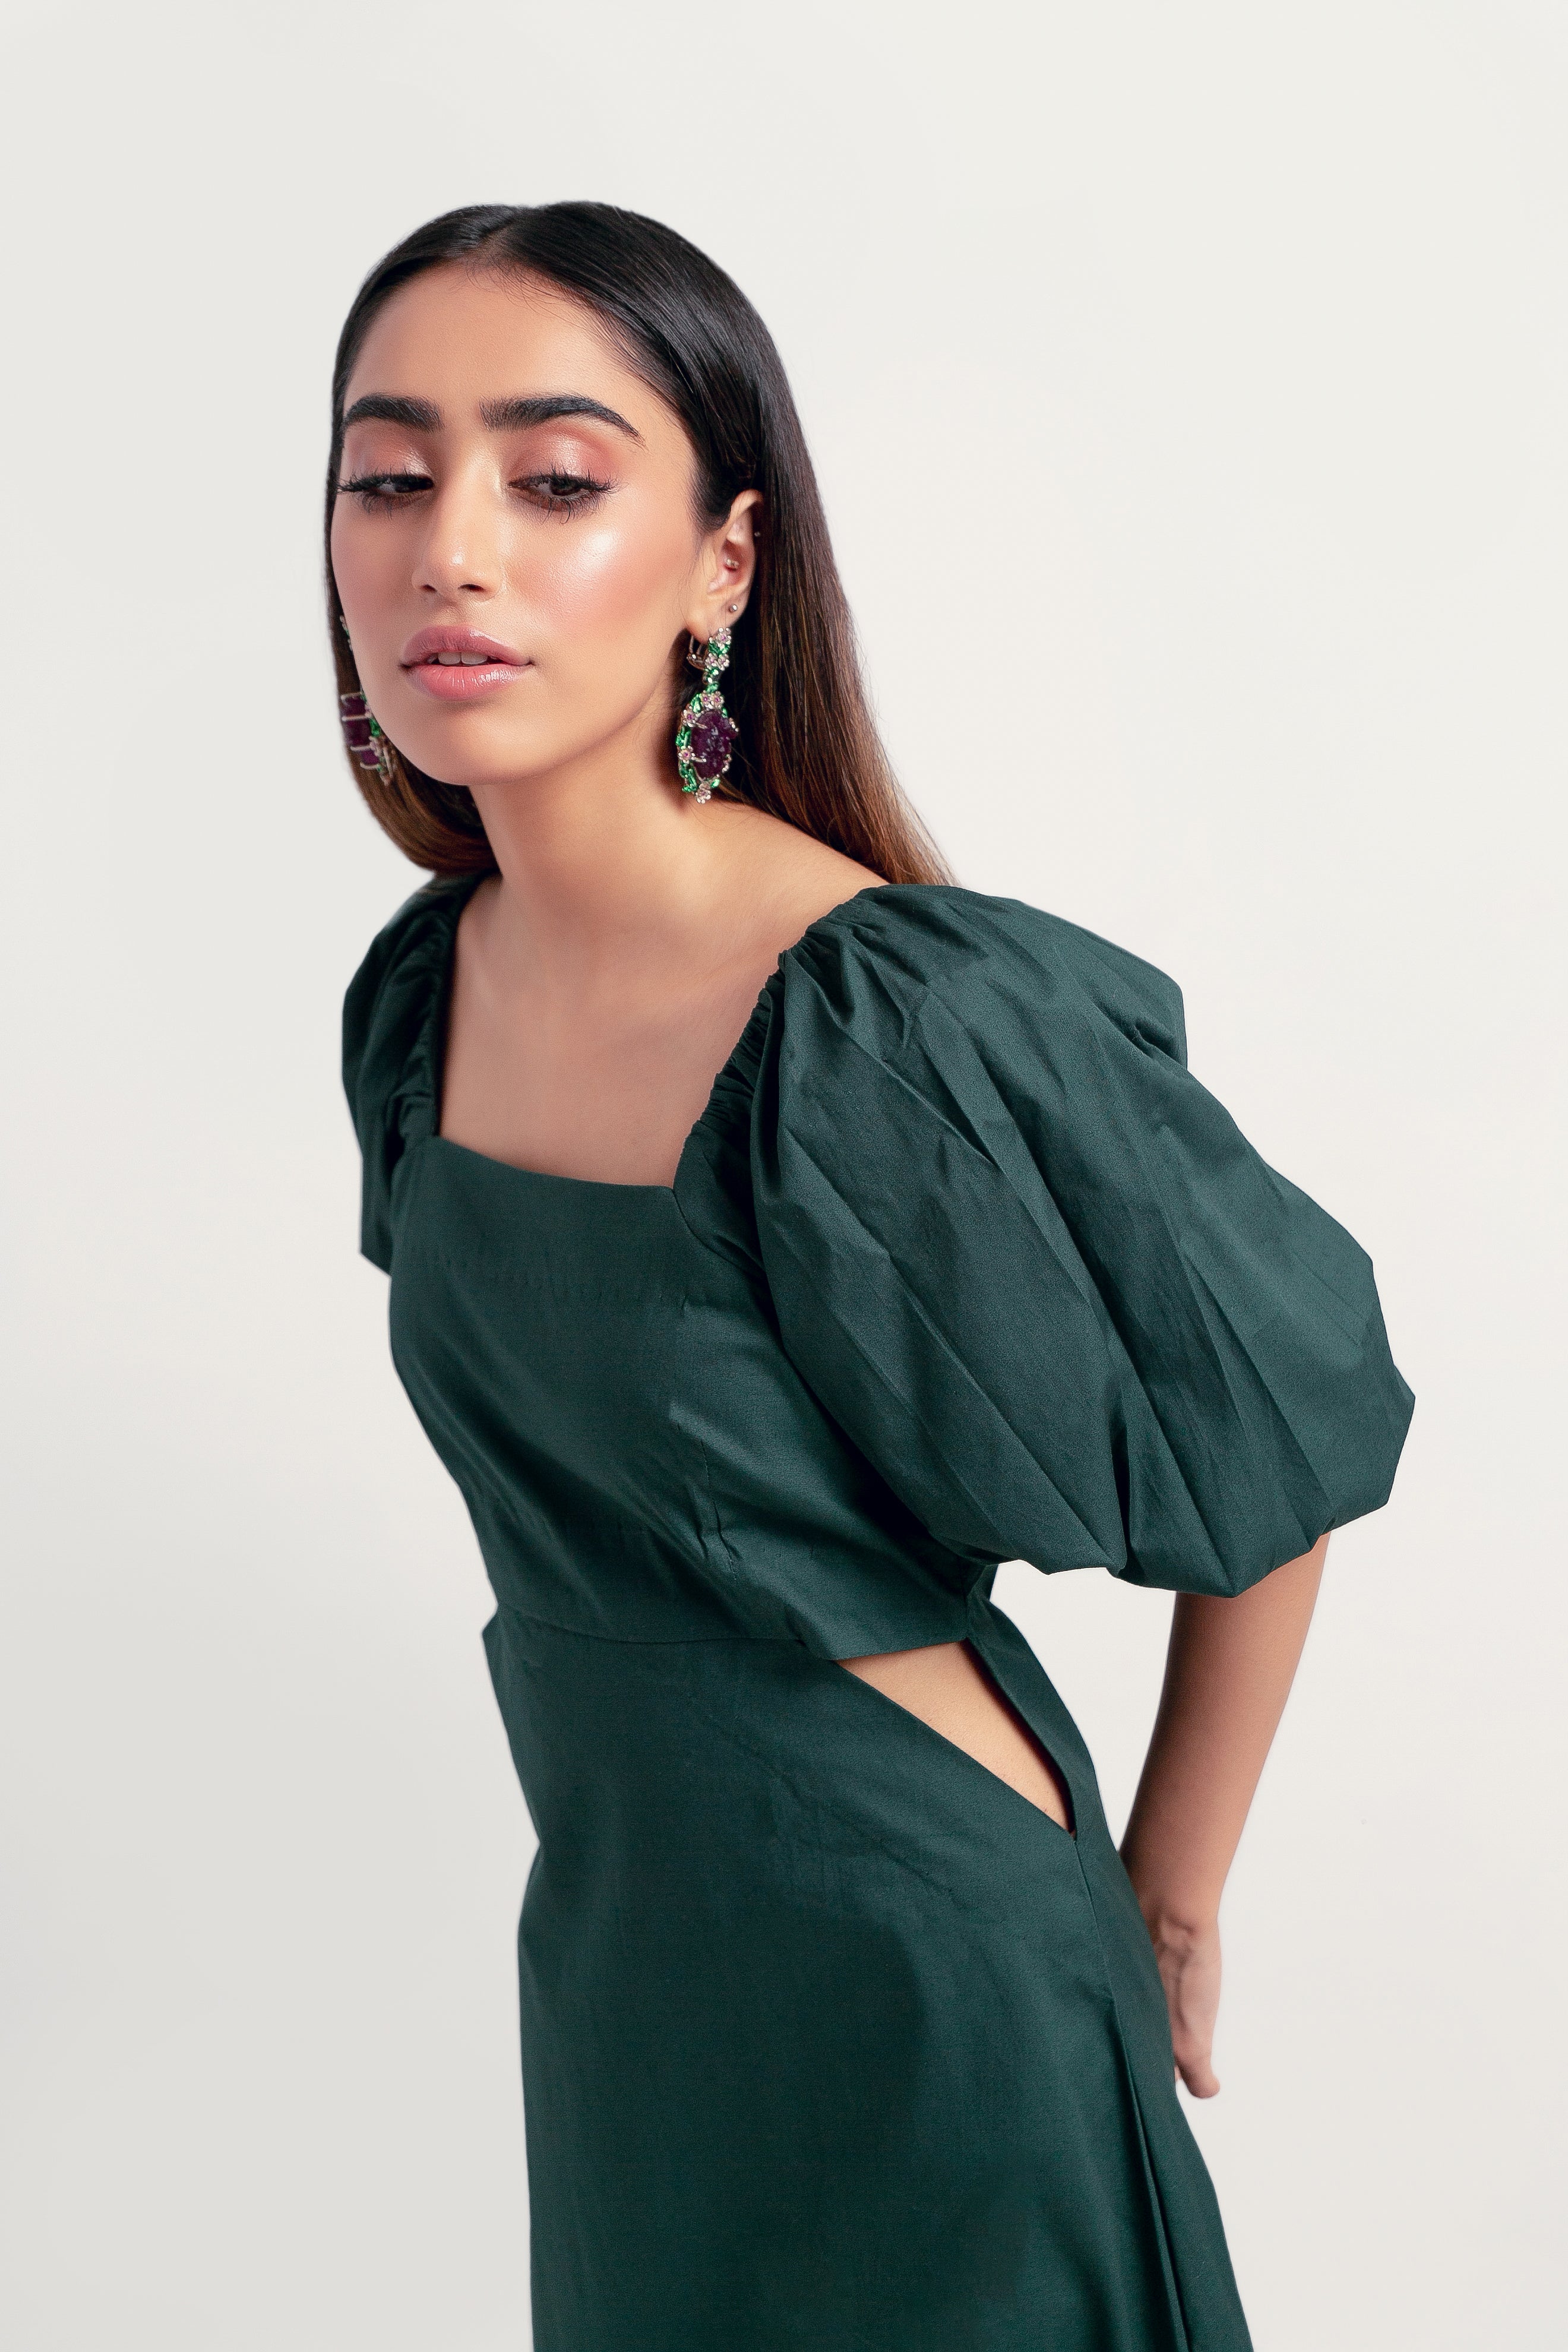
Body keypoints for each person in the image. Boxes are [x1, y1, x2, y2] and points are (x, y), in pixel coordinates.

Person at [332, 202, 1412, 2352]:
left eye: (555, 480)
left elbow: (1267, 1428)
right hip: (631, 1987)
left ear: (723, 566)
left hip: (929, 1973)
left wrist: (1171, 1892)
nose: (452, 549)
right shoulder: (423, 1000)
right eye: (388, 476)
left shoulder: (889, 1020)